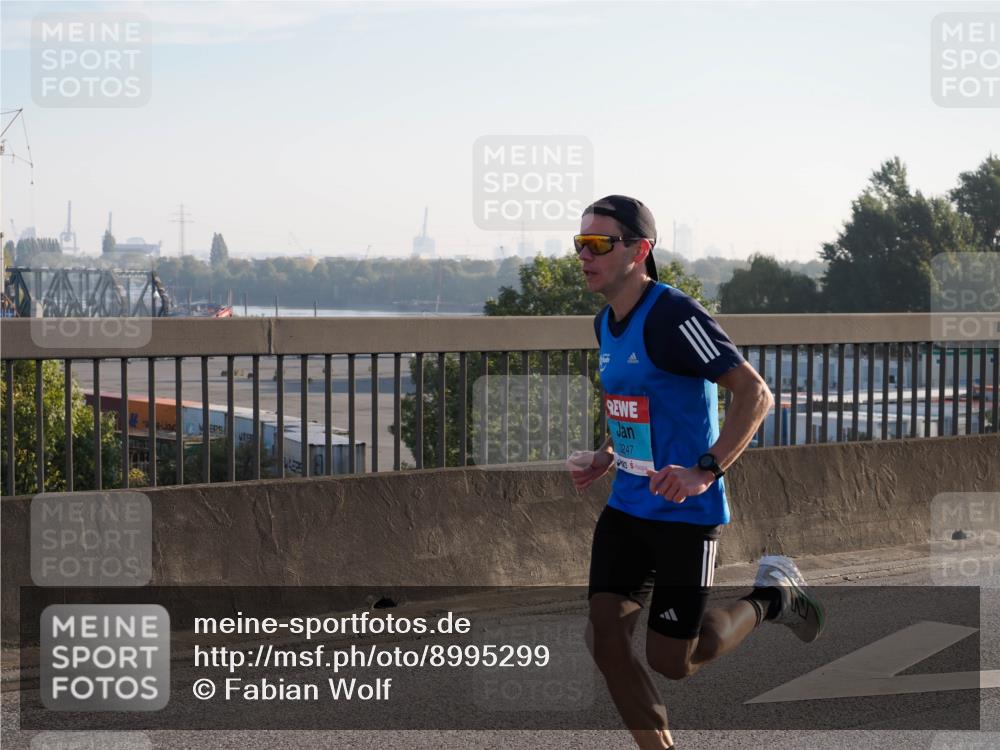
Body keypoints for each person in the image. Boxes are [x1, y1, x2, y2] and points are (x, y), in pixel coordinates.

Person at [566, 195, 825, 750]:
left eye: (598, 244)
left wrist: (705, 470)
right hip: (627, 506)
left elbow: (755, 394)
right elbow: (637, 405)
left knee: (673, 660)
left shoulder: (674, 314)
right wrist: (608, 456)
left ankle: (772, 598)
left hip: (685, 514)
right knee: (605, 636)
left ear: (640, 250)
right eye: (579, 243)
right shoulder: (605, 323)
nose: (584, 255)